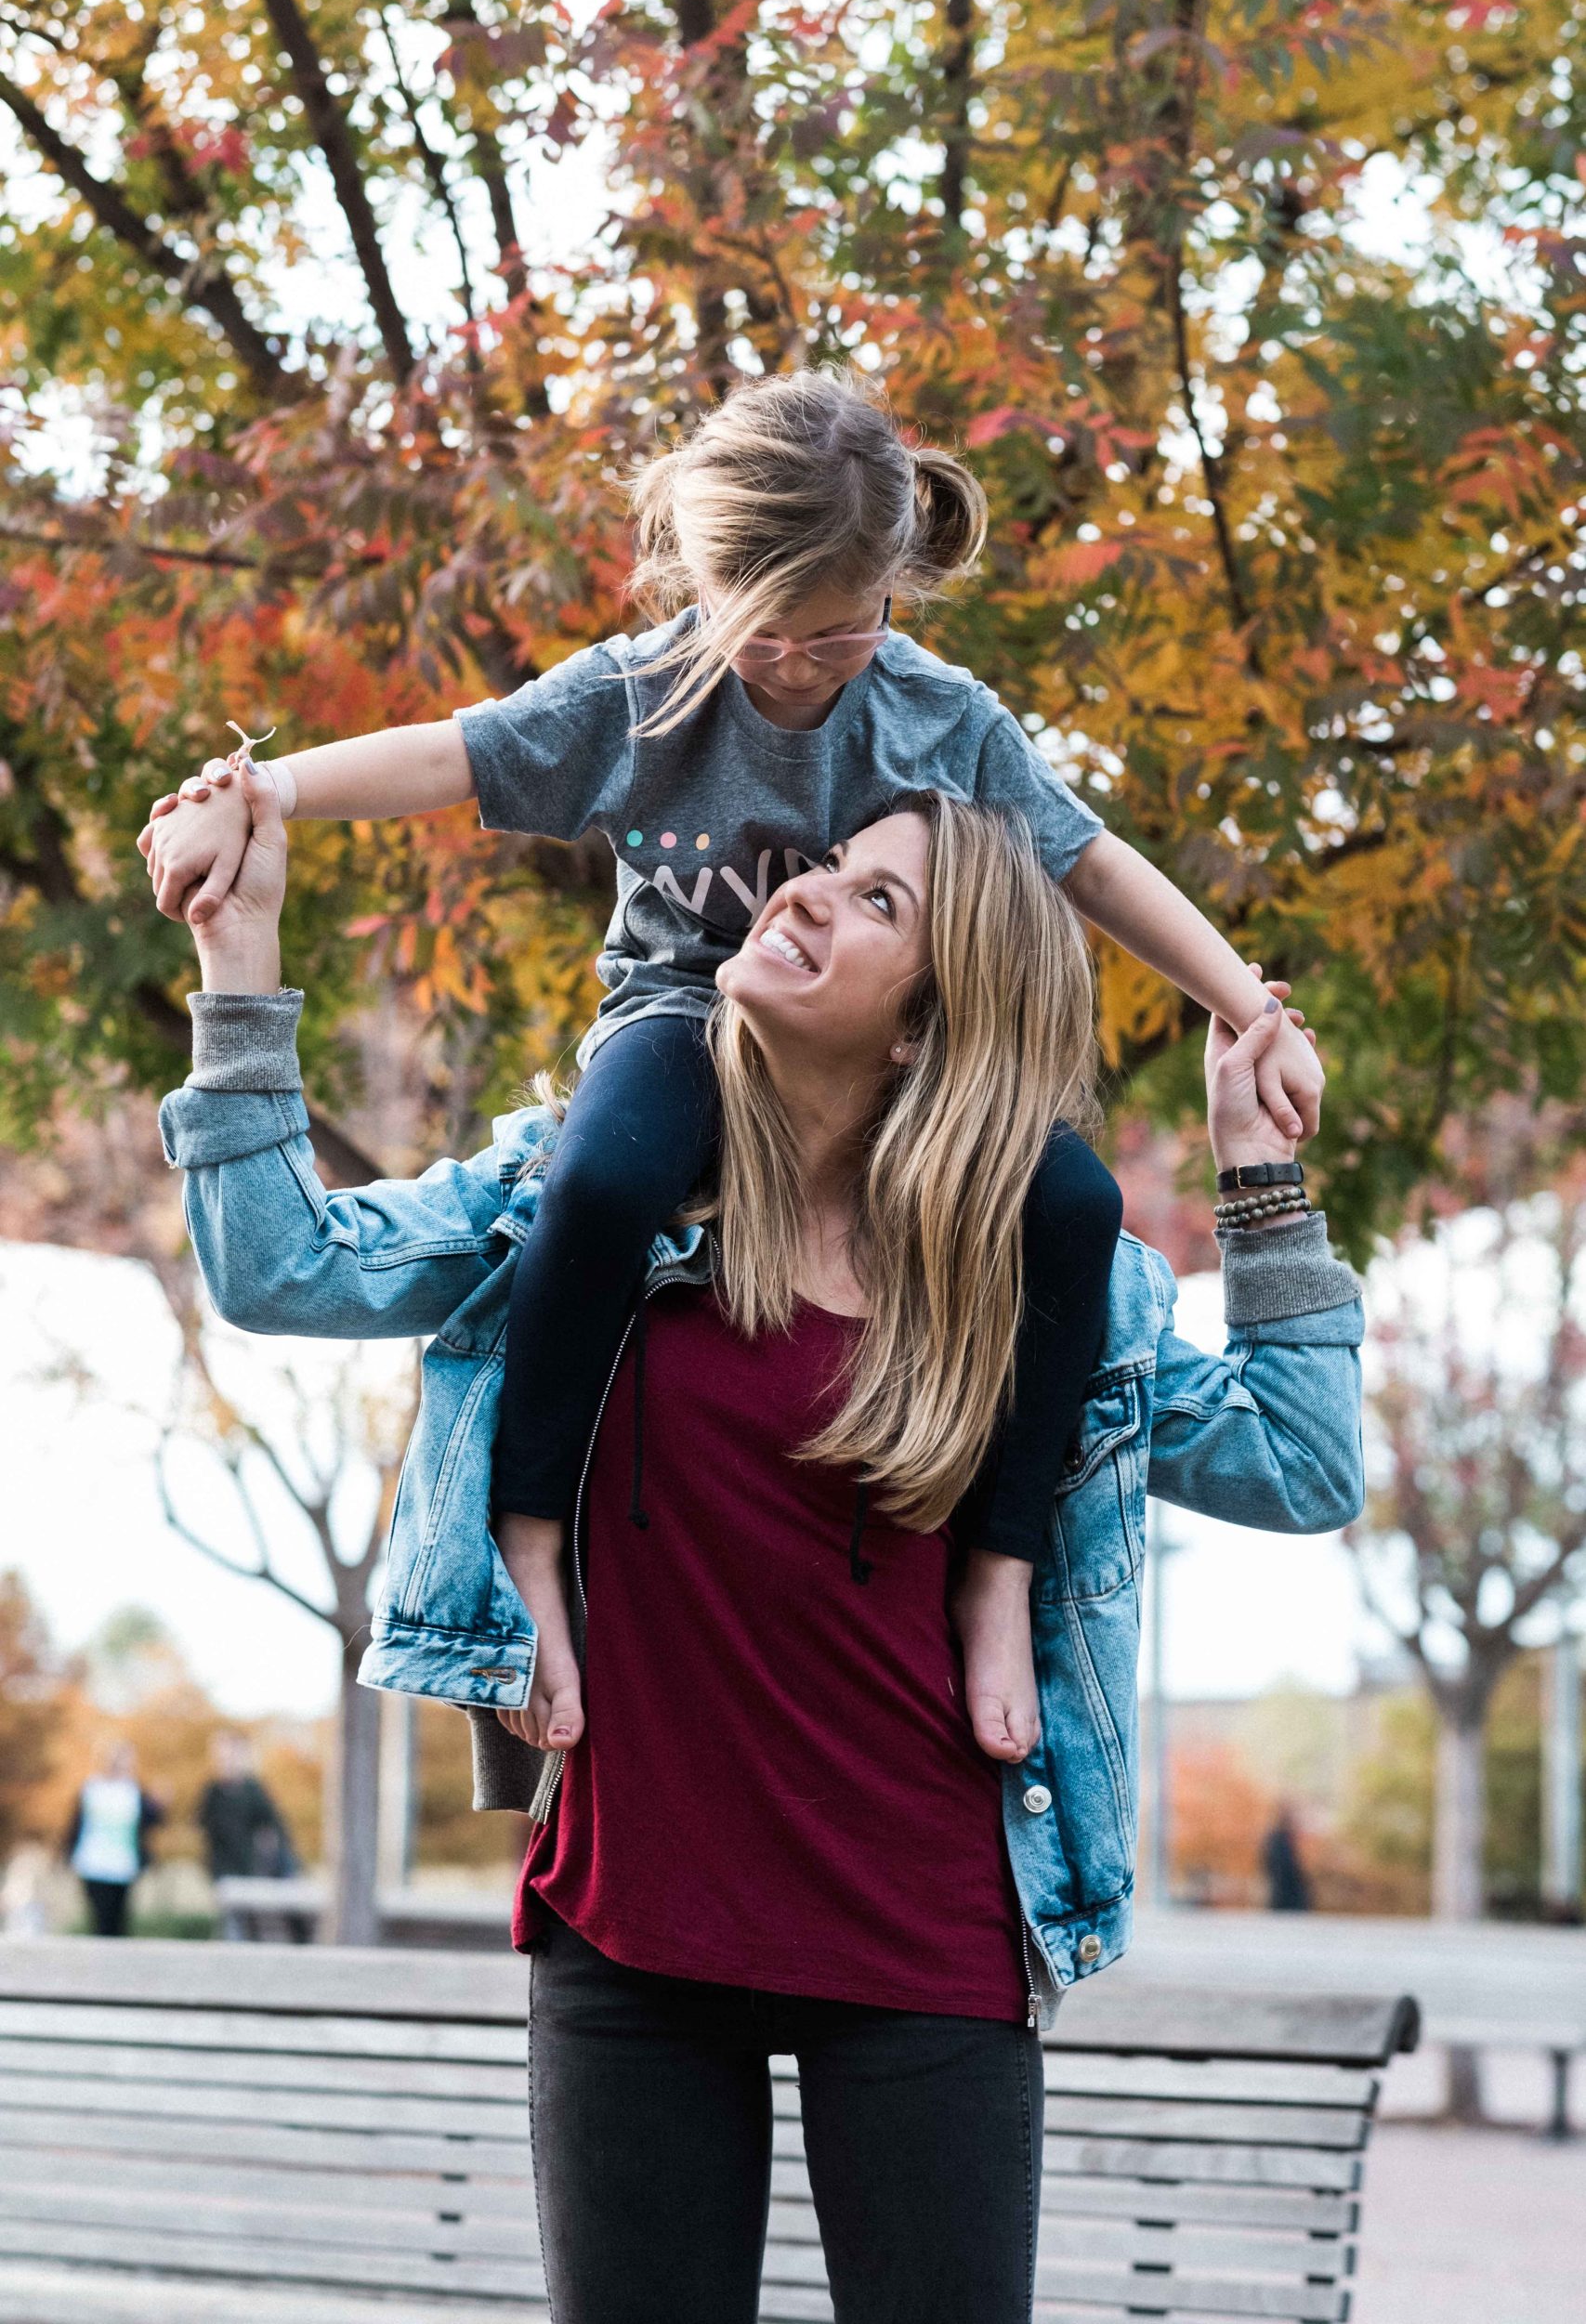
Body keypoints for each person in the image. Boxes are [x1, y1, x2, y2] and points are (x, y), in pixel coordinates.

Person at [159, 764, 1362, 2324]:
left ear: (930, 1020)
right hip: (631, 1940)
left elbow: (1302, 1466)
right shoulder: (574, 1194)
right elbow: (278, 1273)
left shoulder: (1039, 1282)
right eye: (824, 868)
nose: (798, 892)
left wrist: (1258, 1178)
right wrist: (238, 973)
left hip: (926, 1945)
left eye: (880, 902)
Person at [138, 368, 1323, 1780]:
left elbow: (1091, 864)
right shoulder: (641, 691)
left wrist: (1247, 1008)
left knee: (1066, 1208)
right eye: (764, 639)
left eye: (837, 638)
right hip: (678, 1022)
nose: (800, 669)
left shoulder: (938, 717)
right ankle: (529, 1531)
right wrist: (271, 791)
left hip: (882, 1068)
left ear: (893, 588)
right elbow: (458, 754)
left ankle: (999, 1569)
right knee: (606, 1178)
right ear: (701, 593)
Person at [197, 1733, 306, 1939]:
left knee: (252, 1921)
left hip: (251, 1867)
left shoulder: (253, 1789)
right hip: (225, 1868)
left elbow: (274, 1824)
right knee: (233, 1922)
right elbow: (202, 1826)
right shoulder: (212, 1792)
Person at [63, 1742, 164, 1939]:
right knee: (101, 1920)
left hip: (124, 1866)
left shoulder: (133, 1791)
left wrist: (159, 1805)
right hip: (94, 1864)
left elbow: (151, 1822)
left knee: (120, 1922)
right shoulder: (92, 1788)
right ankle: (100, 1964)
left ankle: (116, 1965)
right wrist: (67, 1855)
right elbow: (76, 1824)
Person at [1262, 1804, 1313, 1913]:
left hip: (1287, 1897)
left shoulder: (1281, 1839)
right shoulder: (1278, 1840)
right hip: (1284, 1898)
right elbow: (1279, 1869)